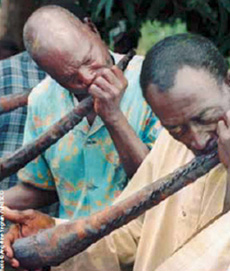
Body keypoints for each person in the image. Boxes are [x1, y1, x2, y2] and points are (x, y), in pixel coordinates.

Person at [4, 33, 230, 271]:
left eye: (205, 118)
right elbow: (129, 234)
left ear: (228, 82)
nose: (197, 139)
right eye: (176, 129)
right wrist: (57, 236)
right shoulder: (171, 144)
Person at [4, 5, 160, 219]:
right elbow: (44, 187)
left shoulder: (154, 83)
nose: (87, 78)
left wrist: (113, 117)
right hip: (73, 246)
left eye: (88, 61)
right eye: (70, 78)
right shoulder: (42, 99)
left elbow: (160, 183)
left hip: (143, 245)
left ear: (92, 29)